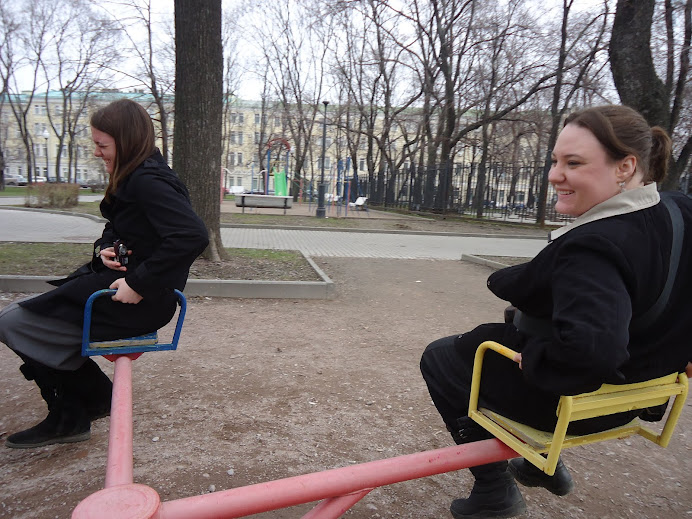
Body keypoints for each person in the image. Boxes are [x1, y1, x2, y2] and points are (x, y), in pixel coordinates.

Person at [420, 105, 692, 519]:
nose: (554, 175)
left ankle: (494, 491)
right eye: (555, 161)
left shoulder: (595, 245)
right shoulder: (679, 210)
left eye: (574, 163)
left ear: (625, 167)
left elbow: (593, 351)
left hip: (583, 408)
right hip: (645, 393)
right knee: (525, 325)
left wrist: (539, 362)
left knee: (443, 357)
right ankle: (537, 465)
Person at [0, 98, 209, 449]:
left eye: (102, 145)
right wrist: (107, 248)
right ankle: (83, 405)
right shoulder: (137, 174)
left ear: (125, 141)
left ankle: (76, 410)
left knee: (12, 323)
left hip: (139, 300)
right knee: (14, 319)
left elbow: (192, 236)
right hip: (123, 288)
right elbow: (120, 224)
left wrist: (138, 283)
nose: (97, 152)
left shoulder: (148, 179)